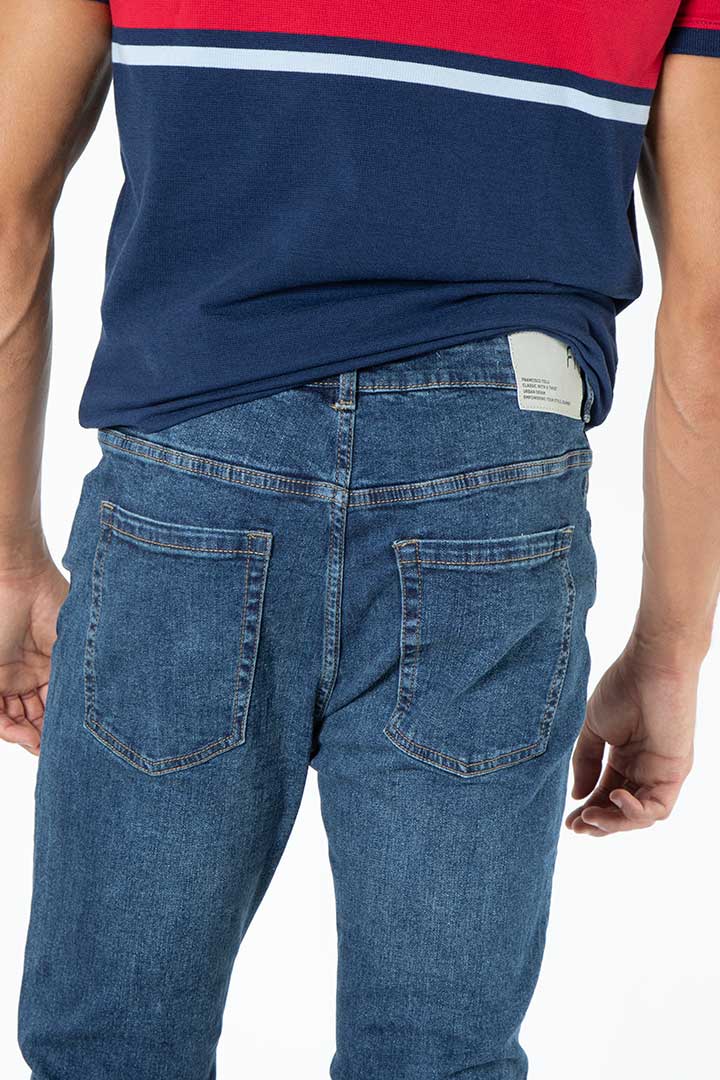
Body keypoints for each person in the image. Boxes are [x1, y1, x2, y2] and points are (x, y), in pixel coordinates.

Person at [1, 2, 718, 1077]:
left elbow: (5, 215)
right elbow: (709, 312)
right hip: (499, 468)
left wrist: (8, 554)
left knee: (112, 1048)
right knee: (439, 1058)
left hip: (195, 456)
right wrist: (670, 649)